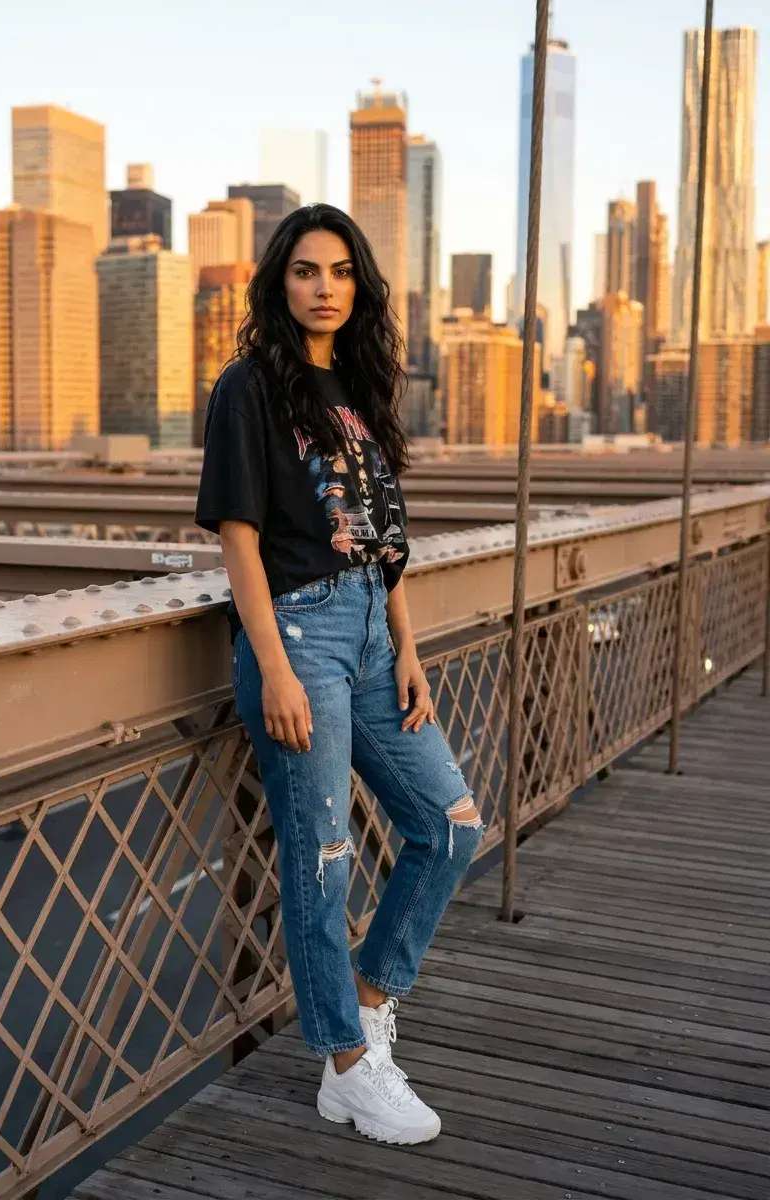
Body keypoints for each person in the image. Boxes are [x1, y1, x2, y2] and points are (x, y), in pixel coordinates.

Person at [195, 204, 484, 1145]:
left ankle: (365, 1003)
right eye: (308, 271)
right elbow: (239, 535)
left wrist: (407, 645)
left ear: (360, 287)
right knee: (322, 857)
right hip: (299, 637)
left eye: (342, 271)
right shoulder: (248, 388)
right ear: (280, 284)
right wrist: (272, 665)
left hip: (369, 631)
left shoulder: (361, 392)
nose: (326, 287)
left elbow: (384, 547)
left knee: (449, 826)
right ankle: (349, 1068)